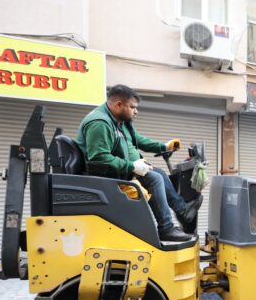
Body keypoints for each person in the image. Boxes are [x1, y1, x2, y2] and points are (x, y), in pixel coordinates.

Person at [76, 84, 201, 242]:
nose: (136, 111)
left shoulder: (120, 120)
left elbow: (138, 140)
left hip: (122, 169)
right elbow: (98, 158)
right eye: (133, 107)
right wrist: (132, 166)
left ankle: (182, 210)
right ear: (119, 105)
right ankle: (166, 229)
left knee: (160, 173)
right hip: (106, 175)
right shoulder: (100, 123)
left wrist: (163, 146)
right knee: (154, 178)